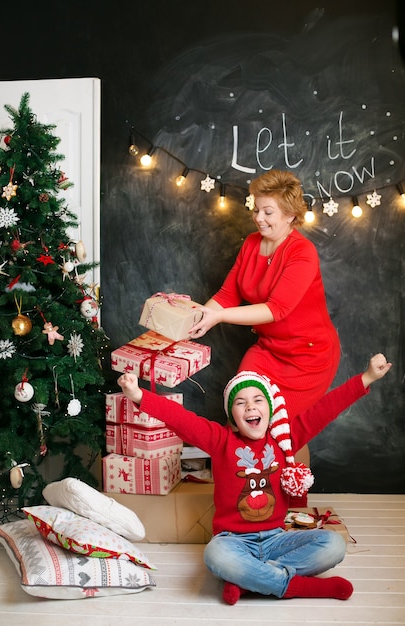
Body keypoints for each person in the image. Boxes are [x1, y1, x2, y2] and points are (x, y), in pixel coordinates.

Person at [117, 353, 391, 605]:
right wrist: (138, 394)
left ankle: (249, 582)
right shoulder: (221, 440)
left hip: (276, 539)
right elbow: (181, 419)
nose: (250, 405)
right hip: (233, 541)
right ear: (233, 417)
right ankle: (297, 586)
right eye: (241, 402)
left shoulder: (286, 440)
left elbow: (323, 410)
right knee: (215, 555)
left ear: (269, 410)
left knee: (333, 545)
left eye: (258, 399)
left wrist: (366, 377)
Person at [188, 169, 340, 422]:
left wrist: (218, 316)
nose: (259, 218)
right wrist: (198, 316)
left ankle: (292, 465)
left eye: (268, 212)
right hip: (268, 351)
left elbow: (275, 309)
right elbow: (228, 294)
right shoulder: (251, 243)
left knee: (283, 433)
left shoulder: (303, 252)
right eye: (256, 209)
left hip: (308, 357)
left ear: (290, 215)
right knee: (241, 420)